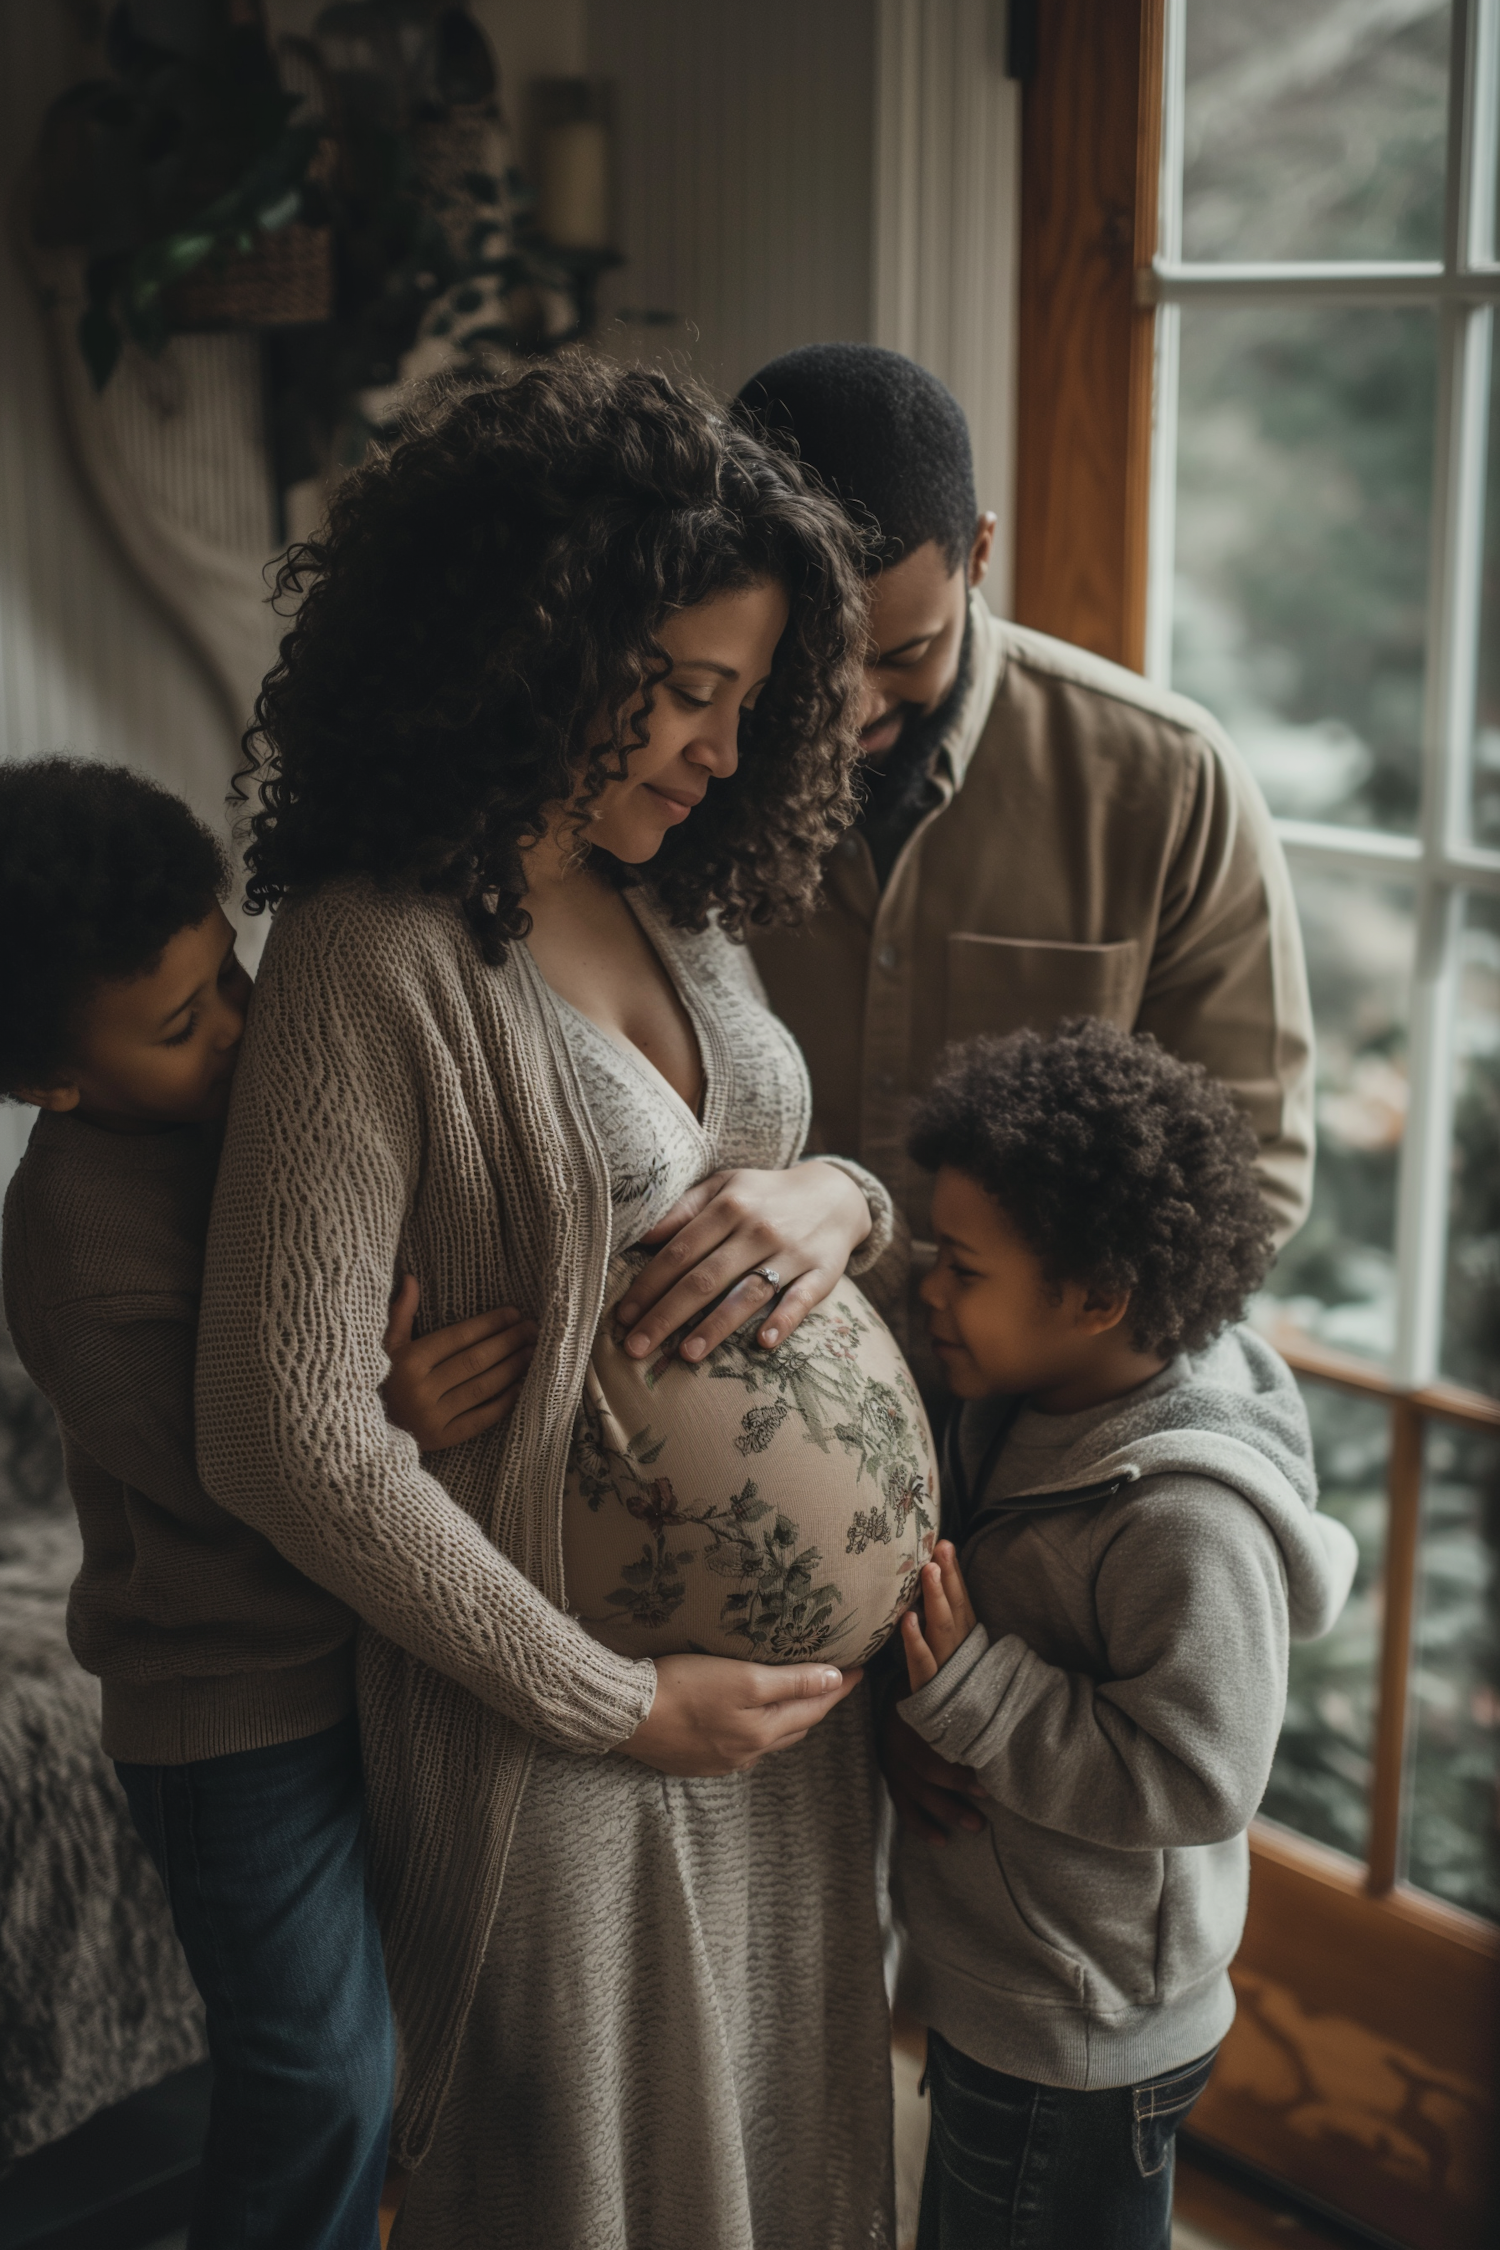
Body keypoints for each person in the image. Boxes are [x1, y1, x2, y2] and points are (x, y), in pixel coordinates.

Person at [192, 359, 926, 2249]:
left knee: (780, 2172)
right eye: (683, 687)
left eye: (747, 702)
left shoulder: (676, 892)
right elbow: (279, 1431)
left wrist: (842, 1194)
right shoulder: (373, 952)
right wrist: (613, 1704)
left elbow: (771, 1186)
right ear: (529, 646)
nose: (715, 745)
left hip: (770, 1728)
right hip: (563, 1731)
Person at [735, 339, 1318, 1851]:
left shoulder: (1167, 782)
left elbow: (1248, 1173)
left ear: (981, 553)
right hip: (745, 1461)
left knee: (1022, 1969)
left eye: (903, 653)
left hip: (1048, 1505)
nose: (850, 706)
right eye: (811, 654)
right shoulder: (678, 779)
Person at [0, 759, 538, 2248]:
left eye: (227, 972)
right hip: (225, 1713)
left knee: (418, 2043)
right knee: (318, 2078)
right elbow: (247, 1474)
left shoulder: (256, 1104)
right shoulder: (71, 1239)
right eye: (181, 1024)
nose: (237, 1023)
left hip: (372, 1658)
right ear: (55, 1077)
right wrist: (394, 1420)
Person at [892, 1021, 1356, 2250]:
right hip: (1013, 1986)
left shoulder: (1189, 1523)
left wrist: (981, 1695)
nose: (929, 1286)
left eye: (964, 1268)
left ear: (1096, 1299)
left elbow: (1200, 1773)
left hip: (1084, 2032)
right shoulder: (1036, 1393)